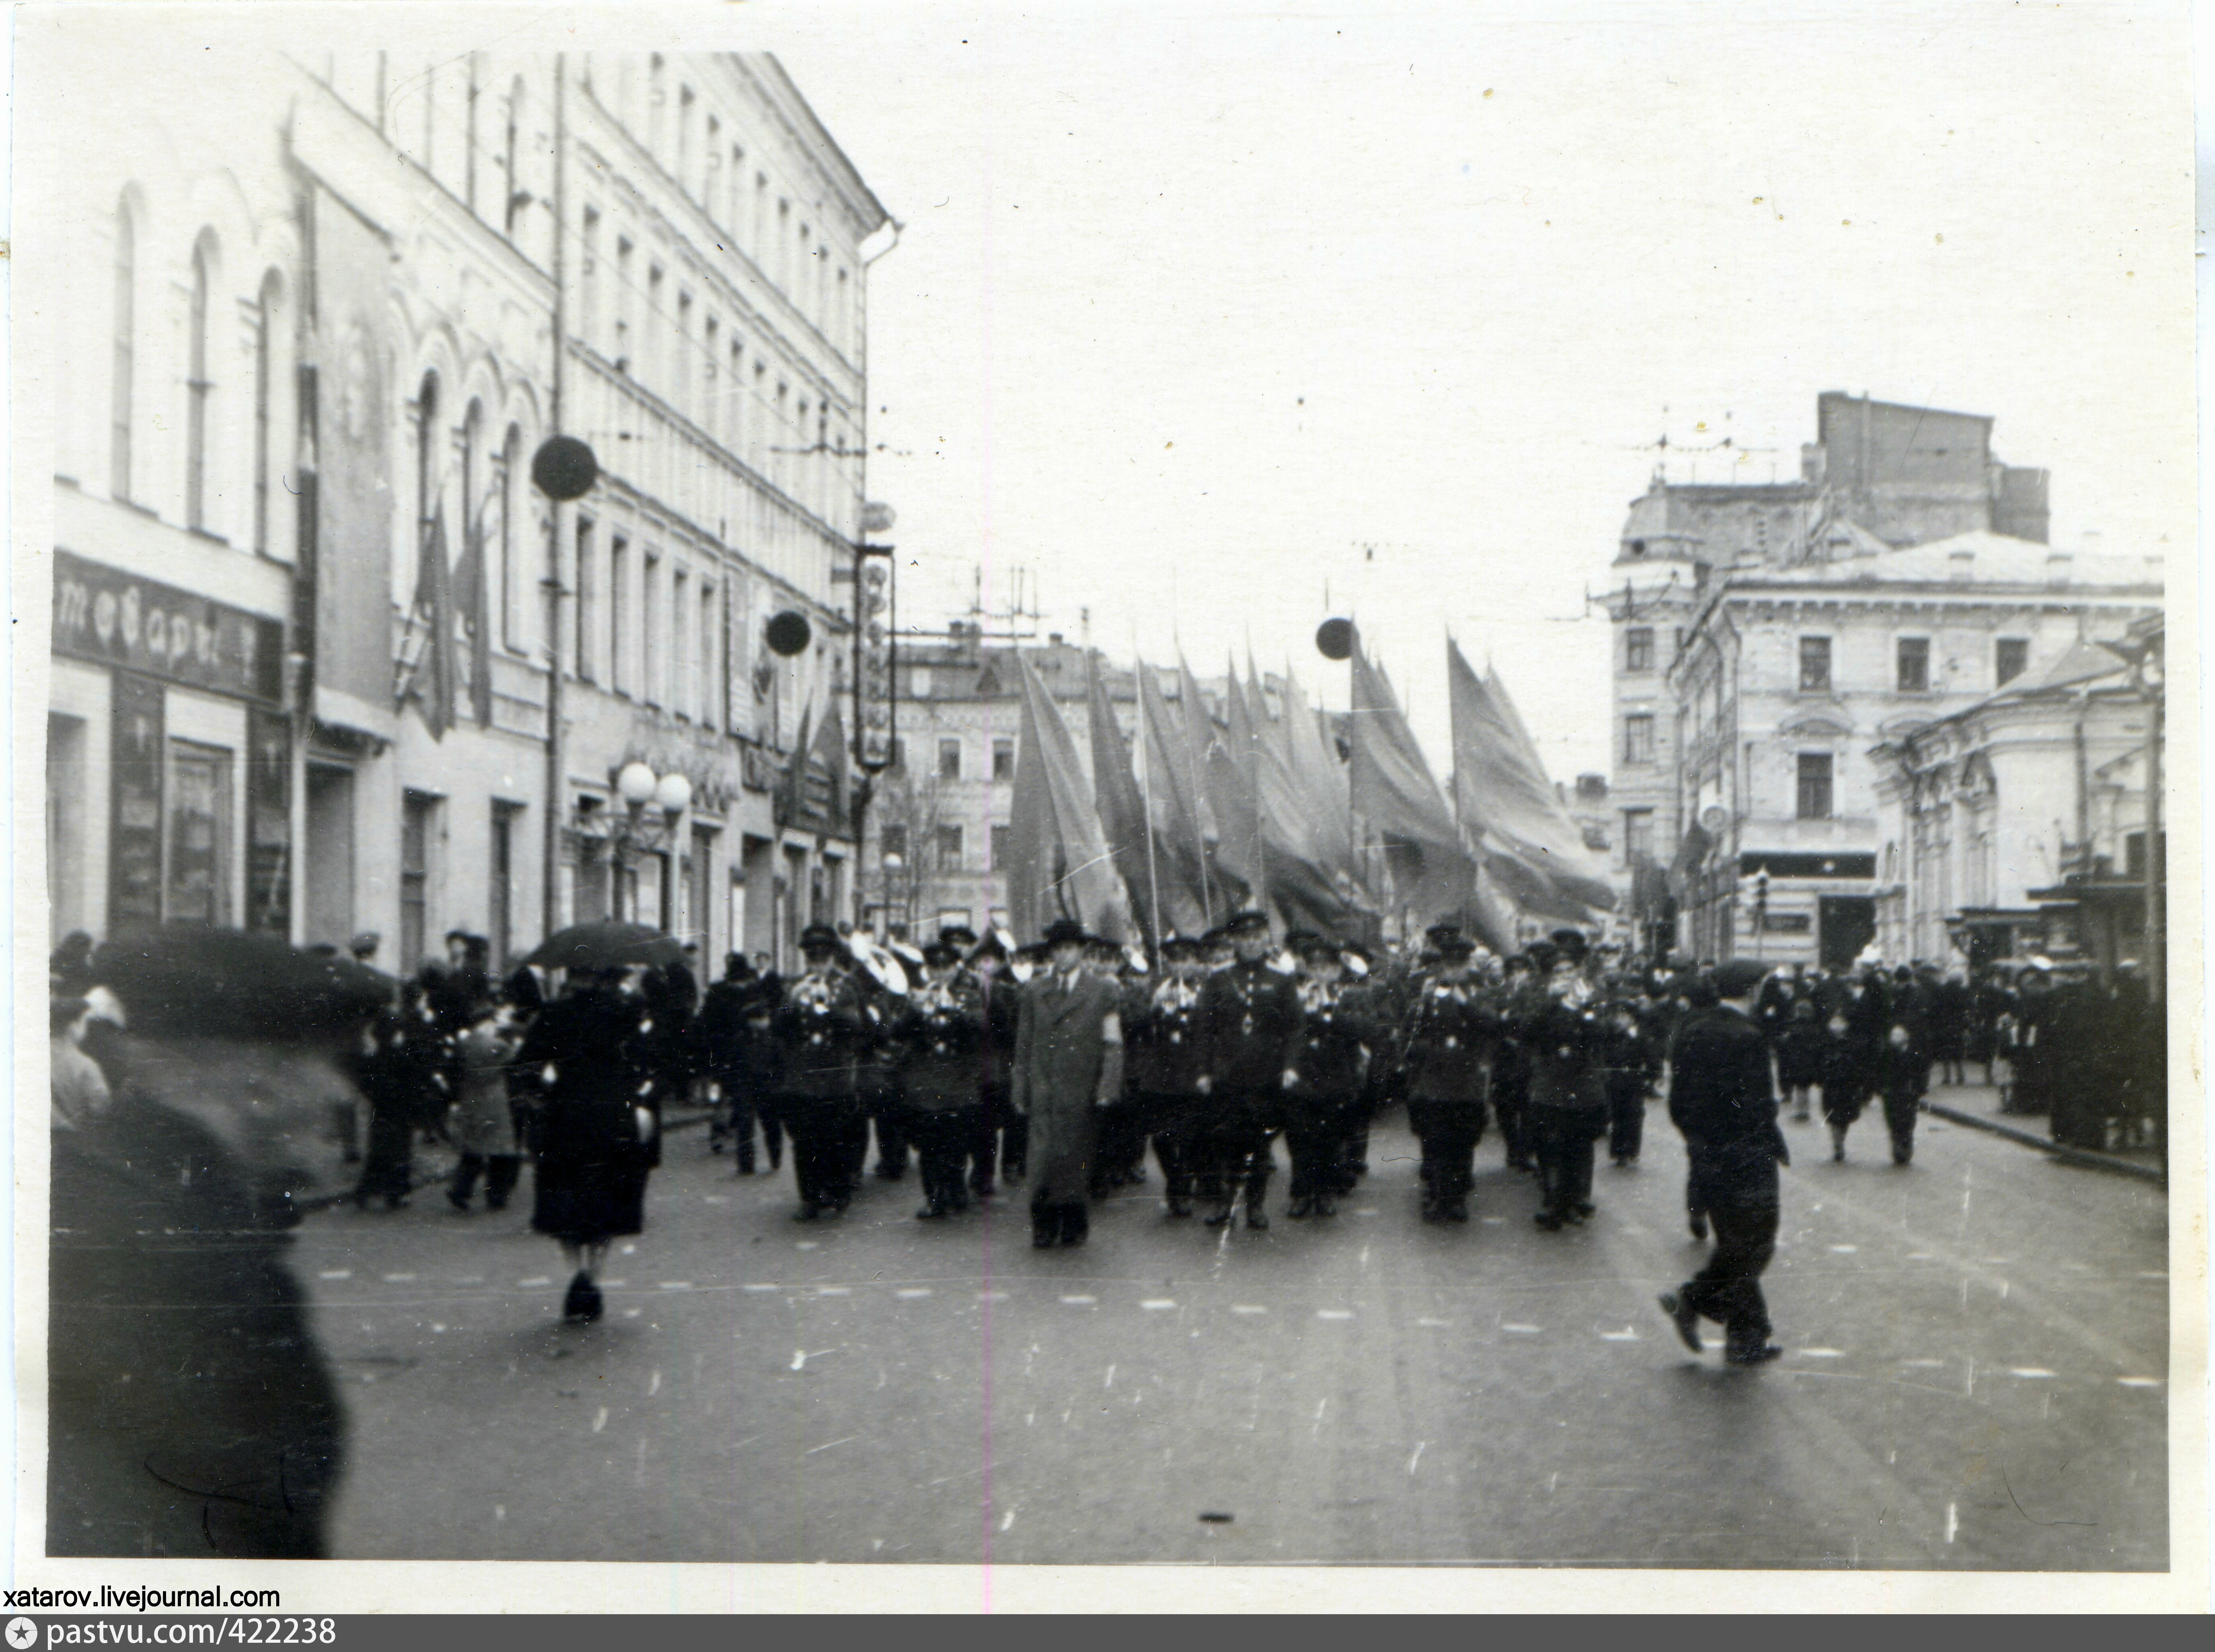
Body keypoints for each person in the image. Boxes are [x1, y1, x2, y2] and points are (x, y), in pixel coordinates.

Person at [51, 928, 388, 1556]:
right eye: (325, 1062)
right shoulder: (156, 1248)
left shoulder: (150, 1204)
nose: (341, 1093)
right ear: (249, 1078)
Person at [1659, 958, 1790, 1366]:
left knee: (1737, 1242)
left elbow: (1680, 1097)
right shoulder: (1746, 1036)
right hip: (1745, 1149)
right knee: (1754, 1242)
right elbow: (1744, 1097)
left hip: (1708, 1150)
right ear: (1751, 991)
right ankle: (1695, 1301)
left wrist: (1698, 1136)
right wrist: (1747, 1115)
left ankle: (1746, 1336)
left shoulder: (1693, 1029)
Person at [515, 965, 660, 1322]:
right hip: (613, 1117)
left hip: (566, 1117)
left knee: (566, 1200)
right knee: (607, 1201)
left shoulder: (554, 1014)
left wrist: (544, 1090)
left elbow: (524, 1065)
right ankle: (594, 1275)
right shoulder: (625, 1014)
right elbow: (648, 1064)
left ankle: (575, 1272)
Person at [1010, 919, 1125, 1247]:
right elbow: (1023, 1044)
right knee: (1041, 1157)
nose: (1063, 956)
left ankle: (1074, 1221)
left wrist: (1108, 1086)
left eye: (1070, 949)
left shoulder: (1103, 990)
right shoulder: (1034, 990)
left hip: (1081, 1088)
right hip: (1043, 1088)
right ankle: (1043, 1224)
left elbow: (1113, 1044)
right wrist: (1020, 1088)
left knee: (1075, 1157)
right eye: (1057, 949)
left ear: (1081, 951)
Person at [1195, 910, 1302, 1230]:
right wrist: (1202, 1070)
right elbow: (1203, 1027)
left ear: (1266, 939)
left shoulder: (1281, 979)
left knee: (1259, 1143)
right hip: (1226, 1075)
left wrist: (1290, 1066)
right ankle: (1223, 1204)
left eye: (1258, 937)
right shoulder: (1218, 978)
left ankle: (1255, 1206)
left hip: (1264, 1075)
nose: (1252, 944)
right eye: (1245, 938)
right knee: (1224, 1141)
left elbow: (1295, 1027)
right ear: (1235, 941)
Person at [772, 925, 870, 1219]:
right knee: (804, 1141)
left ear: (832, 957)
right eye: (812, 959)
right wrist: (792, 1002)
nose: (817, 964)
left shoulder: (846, 986)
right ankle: (810, 1198)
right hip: (802, 1076)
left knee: (835, 1138)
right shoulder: (795, 985)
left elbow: (858, 1026)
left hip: (835, 1076)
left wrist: (830, 1007)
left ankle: (838, 1191)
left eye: (823, 958)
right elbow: (778, 1028)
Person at [1398, 931, 1497, 1223]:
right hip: (1435, 1079)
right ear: (1442, 965)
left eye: (1460, 964)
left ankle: (1456, 1199)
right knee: (1435, 1140)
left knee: (1462, 1141)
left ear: (1468, 965)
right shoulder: (1428, 997)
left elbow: (1490, 1026)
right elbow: (1410, 1036)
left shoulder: (1479, 994)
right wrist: (1432, 1050)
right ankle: (1437, 1196)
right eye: (1449, 964)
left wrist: (1464, 1002)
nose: (1455, 969)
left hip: (1466, 1079)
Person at [1522, 930, 1611, 1230]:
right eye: (1558, 971)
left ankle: (1577, 1199)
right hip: (1550, 1081)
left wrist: (1583, 1010)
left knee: (1580, 1145)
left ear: (1578, 970)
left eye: (1569, 970)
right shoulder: (1543, 998)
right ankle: (1553, 1202)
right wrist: (1553, 1004)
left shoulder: (1593, 995)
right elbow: (1527, 1032)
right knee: (1550, 1145)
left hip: (1583, 1082)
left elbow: (1603, 1034)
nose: (1564, 975)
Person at [1283, 934, 1375, 1219]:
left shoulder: (1349, 995)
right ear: (1307, 969)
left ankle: (1324, 1192)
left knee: (1329, 1137)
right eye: (1315, 967)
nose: (1321, 973)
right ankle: (1301, 1193)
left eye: (1327, 967)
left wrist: (1331, 1011)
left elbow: (1362, 1029)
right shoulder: (1297, 995)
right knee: (1300, 1136)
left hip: (1336, 1074)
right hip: (1304, 1074)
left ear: (1337, 970)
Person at [896, 940, 986, 1219]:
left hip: (958, 1082)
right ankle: (934, 1197)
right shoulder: (918, 995)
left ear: (954, 967)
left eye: (945, 968)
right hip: (926, 1082)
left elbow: (982, 1028)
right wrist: (916, 1010)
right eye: (934, 968)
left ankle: (956, 1191)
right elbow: (898, 1033)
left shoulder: (969, 995)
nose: (939, 974)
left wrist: (956, 1011)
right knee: (928, 1144)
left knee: (956, 1142)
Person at [1125, 935, 1213, 1217]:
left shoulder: (1207, 989)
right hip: (1162, 1073)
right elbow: (1143, 1025)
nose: (1180, 965)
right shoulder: (1160, 989)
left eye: (1186, 959)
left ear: (1197, 962)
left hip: (1194, 1070)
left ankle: (1184, 1184)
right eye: (1174, 959)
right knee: (1161, 1136)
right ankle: (1176, 1181)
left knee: (1192, 1133)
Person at [448, 995, 527, 1211]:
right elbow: (516, 1059)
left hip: (471, 1097)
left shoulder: (465, 1043)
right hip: (494, 1099)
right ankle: (497, 1196)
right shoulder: (497, 1045)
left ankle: (460, 1188)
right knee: (501, 1150)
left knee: (473, 1147)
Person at [969, 932, 1023, 1196]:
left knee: (1012, 1117)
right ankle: (983, 1172)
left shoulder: (1010, 992)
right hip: (980, 1068)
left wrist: (991, 996)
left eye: (989, 960)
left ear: (1001, 962)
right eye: (980, 961)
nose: (983, 966)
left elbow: (1011, 1031)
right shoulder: (969, 991)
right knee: (984, 1124)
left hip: (1005, 1064)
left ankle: (1011, 1162)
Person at [1874, 1022, 1927, 1166]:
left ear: (1906, 1037)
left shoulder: (1915, 1053)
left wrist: (1920, 1089)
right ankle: (1897, 1147)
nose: (1895, 1038)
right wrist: (1880, 1088)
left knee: (1908, 1120)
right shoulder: (1887, 1054)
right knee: (1893, 1120)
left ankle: (1906, 1145)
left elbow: (1922, 1073)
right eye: (1893, 1035)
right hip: (1891, 1093)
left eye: (1899, 1035)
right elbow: (1880, 1073)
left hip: (1909, 1093)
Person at [1775, 997, 1824, 1124]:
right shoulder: (1814, 1027)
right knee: (1804, 1088)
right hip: (1809, 1063)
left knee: (1800, 1088)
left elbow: (1788, 1043)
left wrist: (1785, 1039)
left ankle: (1801, 1112)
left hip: (1798, 1063)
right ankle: (1805, 1111)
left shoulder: (1795, 1026)